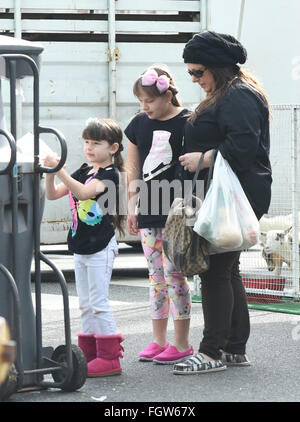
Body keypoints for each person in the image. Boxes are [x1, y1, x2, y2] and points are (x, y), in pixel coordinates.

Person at [173, 31, 272, 375]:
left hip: (234, 195)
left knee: (216, 271)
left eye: (198, 72)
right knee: (228, 270)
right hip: (232, 194)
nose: (195, 79)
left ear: (217, 67)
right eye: (190, 74)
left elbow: (244, 146)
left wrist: (203, 157)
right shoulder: (232, 93)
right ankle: (233, 349)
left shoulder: (238, 96)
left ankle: (212, 351)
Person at [44, 118, 125, 377]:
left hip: (100, 246)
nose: (89, 147)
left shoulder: (109, 176)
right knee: (85, 303)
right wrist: (50, 173)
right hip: (81, 245)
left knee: (99, 303)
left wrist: (59, 171)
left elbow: (82, 193)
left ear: (113, 148)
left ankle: (110, 358)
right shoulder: (83, 170)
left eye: (96, 143)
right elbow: (53, 194)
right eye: (87, 142)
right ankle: (89, 354)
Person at [125, 64, 194, 364]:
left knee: (175, 275)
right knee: (155, 278)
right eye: (141, 102)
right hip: (148, 211)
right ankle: (158, 340)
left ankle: (181, 344)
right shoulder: (137, 124)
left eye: (149, 101)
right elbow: (133, 169)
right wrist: (130, 207)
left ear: (167, 95)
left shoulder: (189, 121)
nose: (145, 107)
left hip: (178, 212)